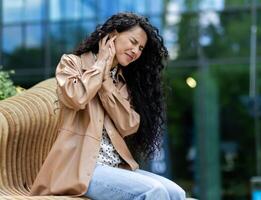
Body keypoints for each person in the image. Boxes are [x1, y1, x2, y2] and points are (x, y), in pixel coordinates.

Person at [30, 12, 186, 200]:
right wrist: (101, 64)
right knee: (154, 191)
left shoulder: (121, 82)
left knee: (177, 193)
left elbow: (129, 125)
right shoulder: (72, 63)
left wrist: (106, 83)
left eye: (141, 48)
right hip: (80, 168)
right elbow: (76, 98)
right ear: (112, 35)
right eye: (133, 41)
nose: (136, 51)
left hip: (115, 167)